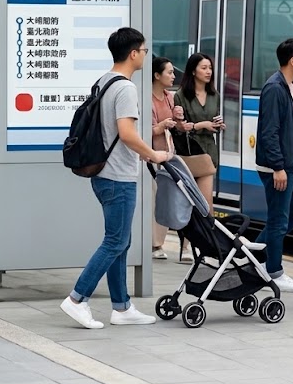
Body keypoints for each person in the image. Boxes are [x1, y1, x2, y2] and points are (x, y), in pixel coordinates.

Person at [59, 27, 169, 329]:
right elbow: (127, 133)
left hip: (104, 174)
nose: (145, 55)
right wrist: (153, 154)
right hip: (117, 176)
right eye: (144, 50)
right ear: (133, 53)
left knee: (121, 241)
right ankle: (77, 299)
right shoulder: (126, 89)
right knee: (115, 240)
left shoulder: (104, 81)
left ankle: (122, 307)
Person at [254, 38, 293, 294]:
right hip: (279, 168)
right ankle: (273, 272)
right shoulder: (275, 88)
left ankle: (250, 258)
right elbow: (270, 132)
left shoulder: (289, 86)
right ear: (292, 60)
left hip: (291, 167)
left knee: (288, 218)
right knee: (278, 220)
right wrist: (278, 167)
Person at [173, 52, 223, 262]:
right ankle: (185, 247)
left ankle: (206, 248)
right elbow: (178, 128)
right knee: (188, 201)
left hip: (208, 154)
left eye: (210, 68)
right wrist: (200, 125)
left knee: (206, 203)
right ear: (193, 71)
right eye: (204, 68)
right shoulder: (181, 95)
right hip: (189, 153)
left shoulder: (214, 95)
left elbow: (214, 123)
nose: (208, 71)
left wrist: (218, 125)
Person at [149, 57, 180, 260]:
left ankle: (158, 242)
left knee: (164, 198)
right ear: (157, 75)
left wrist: (178, 118)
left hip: (168, 154)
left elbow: (176, 125)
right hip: (151, 155)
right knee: (153, 198)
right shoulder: (147, 98)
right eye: (169, 72)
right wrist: (161, 126)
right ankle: (155, 244)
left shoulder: (170, 97)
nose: (173, 76)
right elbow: (146, 129)